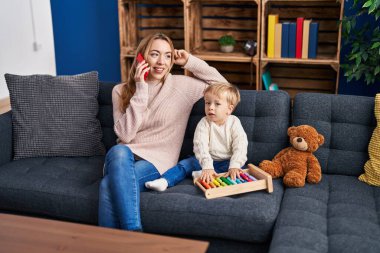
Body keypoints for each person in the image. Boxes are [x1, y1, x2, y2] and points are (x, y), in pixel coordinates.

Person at [98, 33, 227, 231]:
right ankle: (133, 236)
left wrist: (190, 62)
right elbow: (125, 136)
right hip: (123, 158)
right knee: (118, 150)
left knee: (107, 186)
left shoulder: (182, 85)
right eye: (155, 54)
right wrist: (141, 89)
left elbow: (223, 87)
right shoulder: (120, 91)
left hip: (157, 161)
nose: (161, 62)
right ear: (141, 57)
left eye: (167, 56)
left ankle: (127, 235)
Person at [145, 82, 248, 191]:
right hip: (204, 160)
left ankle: (201, 175)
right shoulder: (204, 123)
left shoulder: (234, 122)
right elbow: (200, 146)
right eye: (207, 103)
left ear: (229, 109)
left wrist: (235, 165)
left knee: (239, 170)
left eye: (217, 104)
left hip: (227, 162)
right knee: (186, 164)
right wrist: (207, 166)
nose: (211, 107)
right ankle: (164, 181)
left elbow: (240, 145)